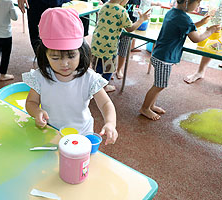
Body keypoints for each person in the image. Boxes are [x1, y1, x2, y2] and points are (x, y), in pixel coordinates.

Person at [22, 8, 118, 145]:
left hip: (82, 135)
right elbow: (31, 103)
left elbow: (105, 103)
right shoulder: (41, 77)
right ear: (45, 55)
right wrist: (37, 112)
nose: (64, 64)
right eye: (55, 58)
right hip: (51, 133)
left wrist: (110, 123)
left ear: (81, 51)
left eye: (72, 56)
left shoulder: (88, 78)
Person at [140, 0, 220, 120]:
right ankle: (145, 108)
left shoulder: (173, 12)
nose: (198, 6)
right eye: (197, 3)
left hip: (160, 53)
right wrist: (210, 31)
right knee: (159, 85)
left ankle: (151, 105)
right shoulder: (184, 18)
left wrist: (201, 23)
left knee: (159, 84)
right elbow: (196, 38)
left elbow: (186, 27)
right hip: (164, 57)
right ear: (186, 2)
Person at [91, 0, 150, 92]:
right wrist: (141, 19)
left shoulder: (104, 6)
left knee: (98, 64)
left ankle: (96, 82)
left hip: (96, 42)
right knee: (109, 67)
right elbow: (130, 28)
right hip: (109, 46)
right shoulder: (121, 10)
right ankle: (104, 86)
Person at [116, 0, 161, 79]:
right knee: (112, 50)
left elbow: (146, 2)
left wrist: (156, 3)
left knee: (123, 51)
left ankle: (118, 69)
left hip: (130, 26)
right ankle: (109, 69)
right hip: (116, 26)